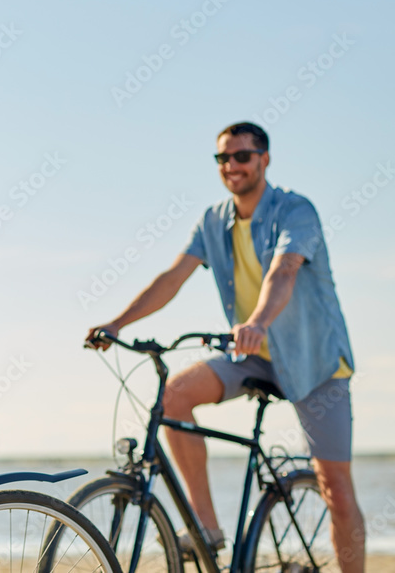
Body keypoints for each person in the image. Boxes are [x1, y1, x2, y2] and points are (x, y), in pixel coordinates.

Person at [86, 122, 364, 571]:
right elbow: (172, 278)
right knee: (174, 396)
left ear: (264, 159)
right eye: (222, 158)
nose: (231, 165)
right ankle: (208, 528)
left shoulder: (296, 210)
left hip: (316, 364)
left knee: (336, 487)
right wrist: (118, 323)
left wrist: (256, 322)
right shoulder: (213, 221)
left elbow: (285, 271)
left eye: (241, 156)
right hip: (253, 354)